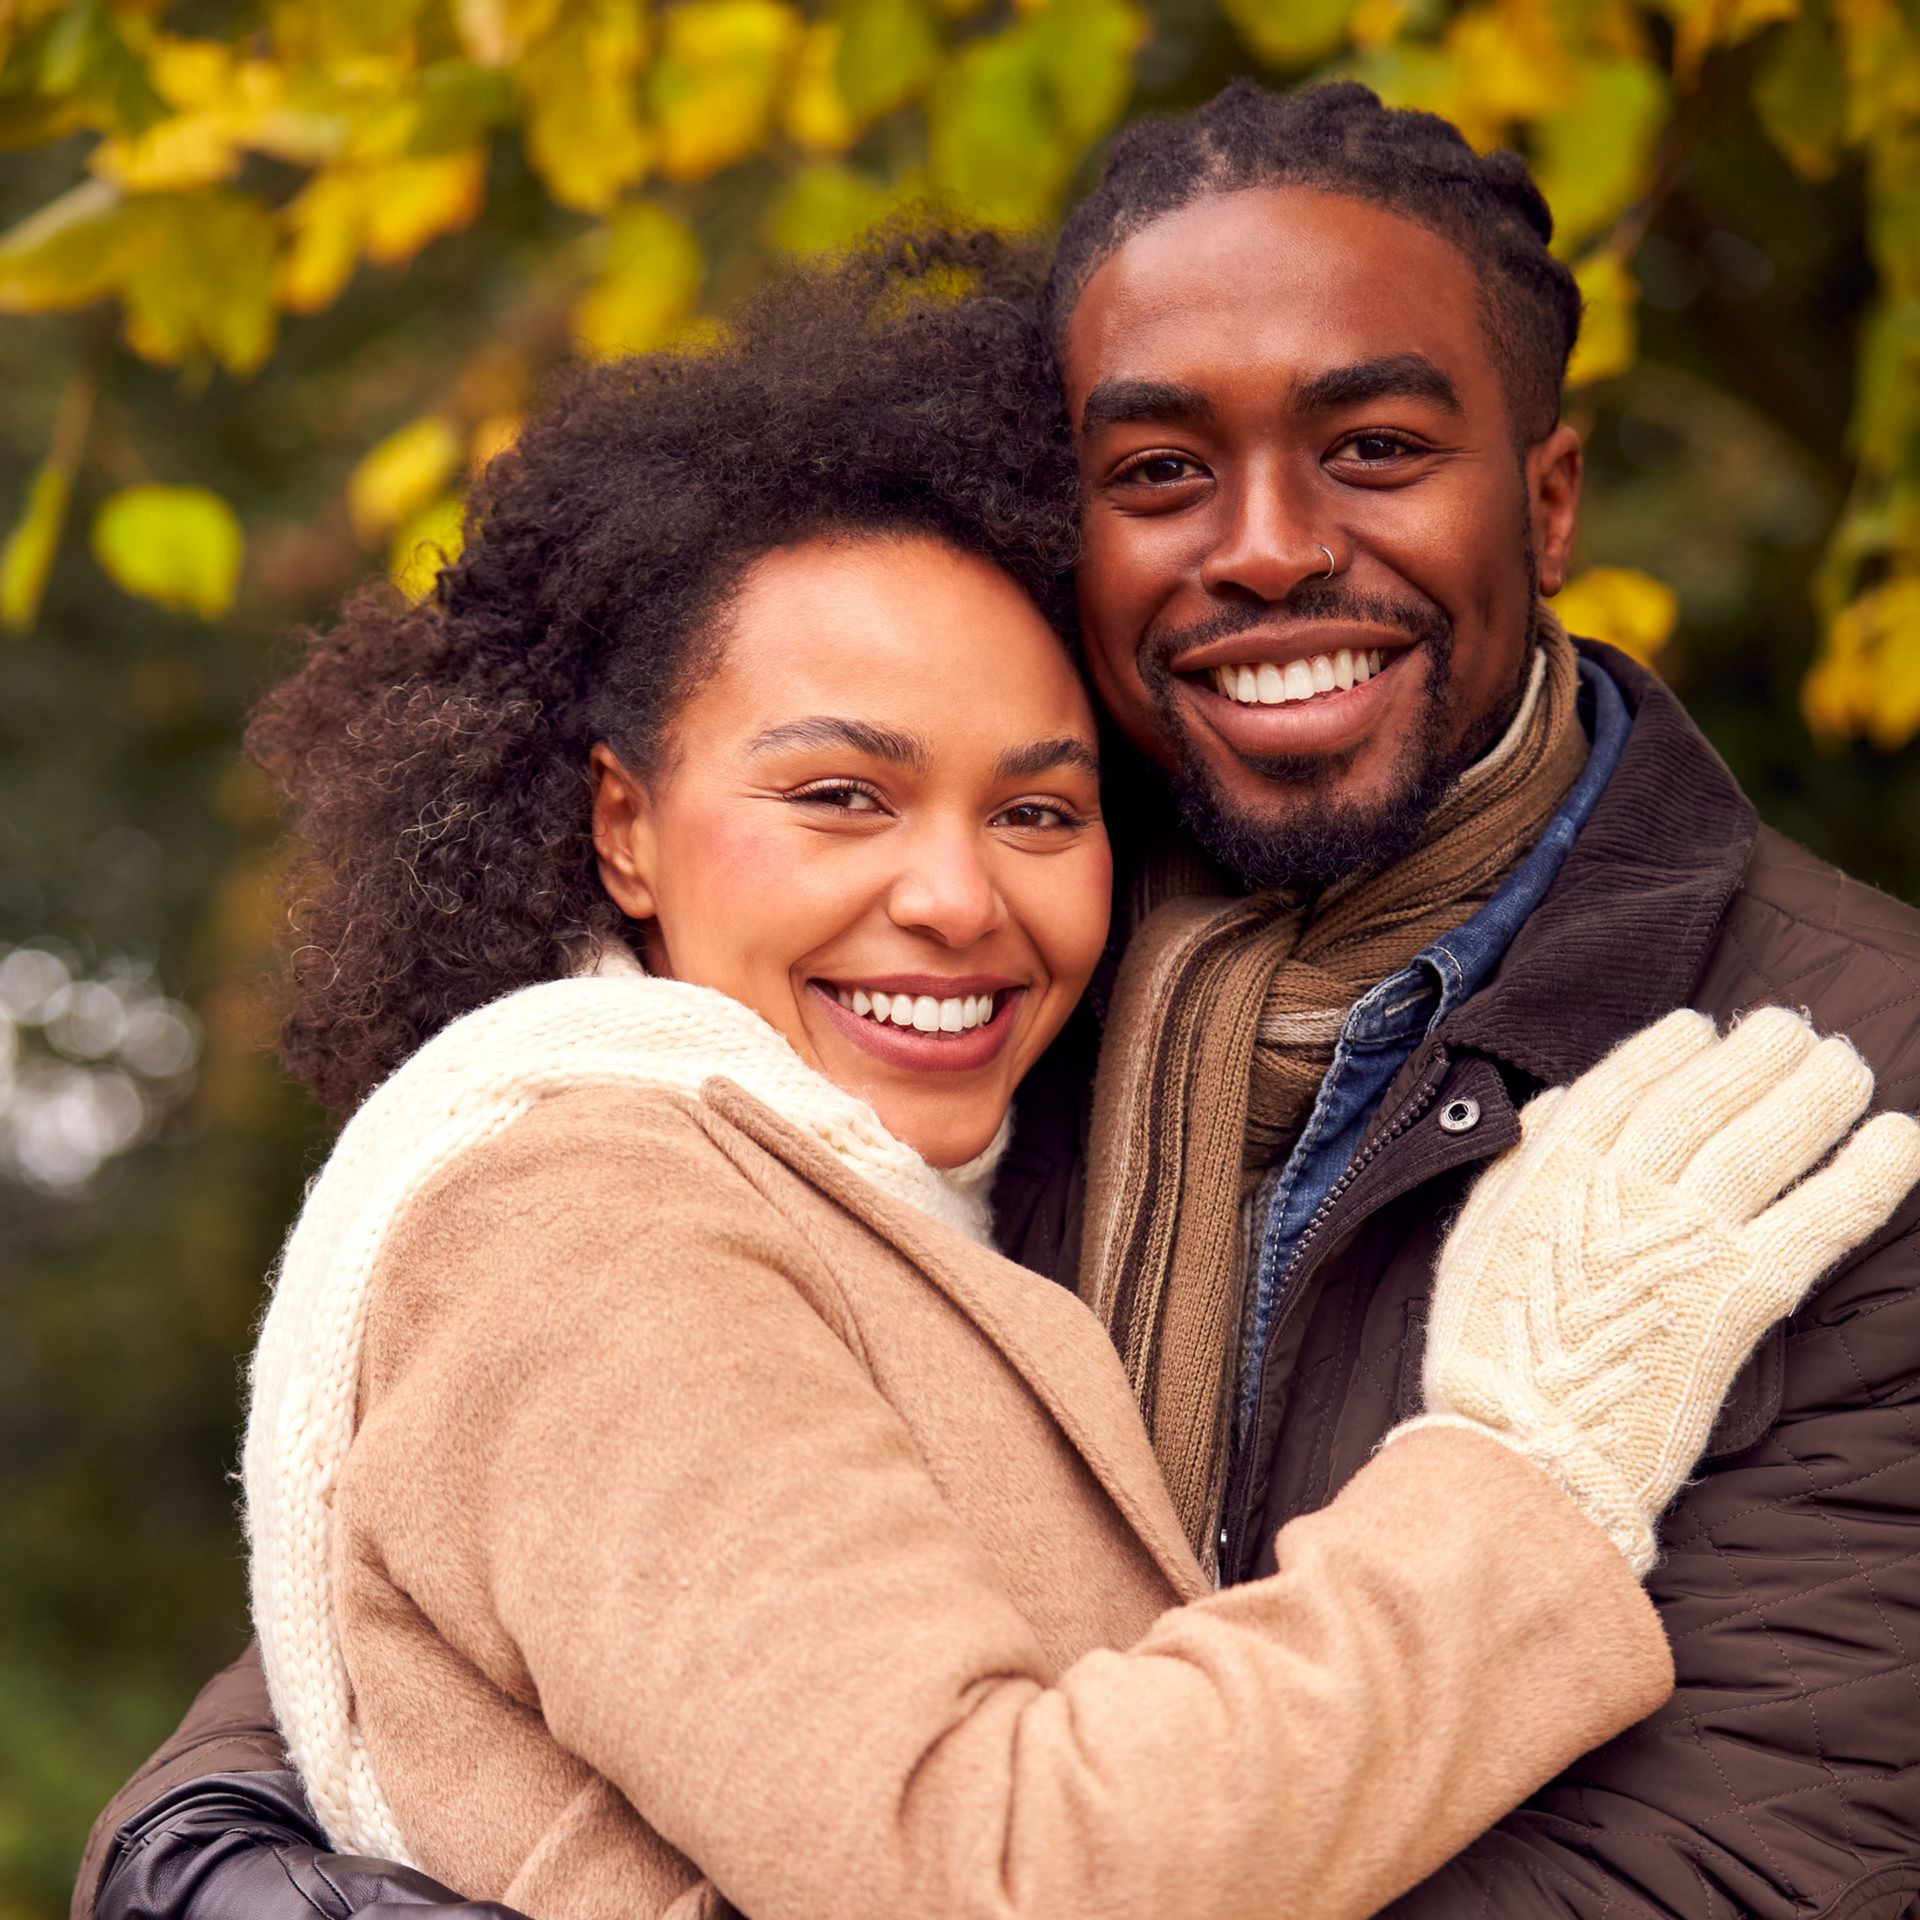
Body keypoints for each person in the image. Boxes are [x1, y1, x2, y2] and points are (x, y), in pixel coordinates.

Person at [76, 80, 1920, 1920]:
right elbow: (508, 1560)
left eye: (1372, 447)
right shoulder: (931, 1021)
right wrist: (226, 1861)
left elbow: (1747, 1865)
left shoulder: (1859, 1078)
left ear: (1548, 495)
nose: (1267, 545)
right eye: (1160, 471)